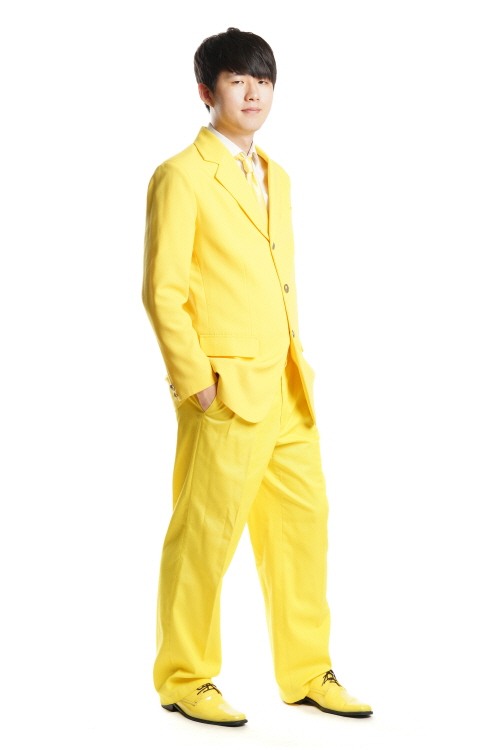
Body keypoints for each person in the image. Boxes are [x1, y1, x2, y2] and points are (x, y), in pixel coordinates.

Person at [141, 26, 372, 728]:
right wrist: (196, 382)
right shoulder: (181, 175)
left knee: (302, 531)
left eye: (263, 80)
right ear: (206, 91)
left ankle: (306, 672)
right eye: (237, 80)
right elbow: (162, 291)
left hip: (288, 386)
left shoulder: (279, 175)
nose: (252, 92)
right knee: (203, 538)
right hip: (224, 393)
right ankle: (185, 678)